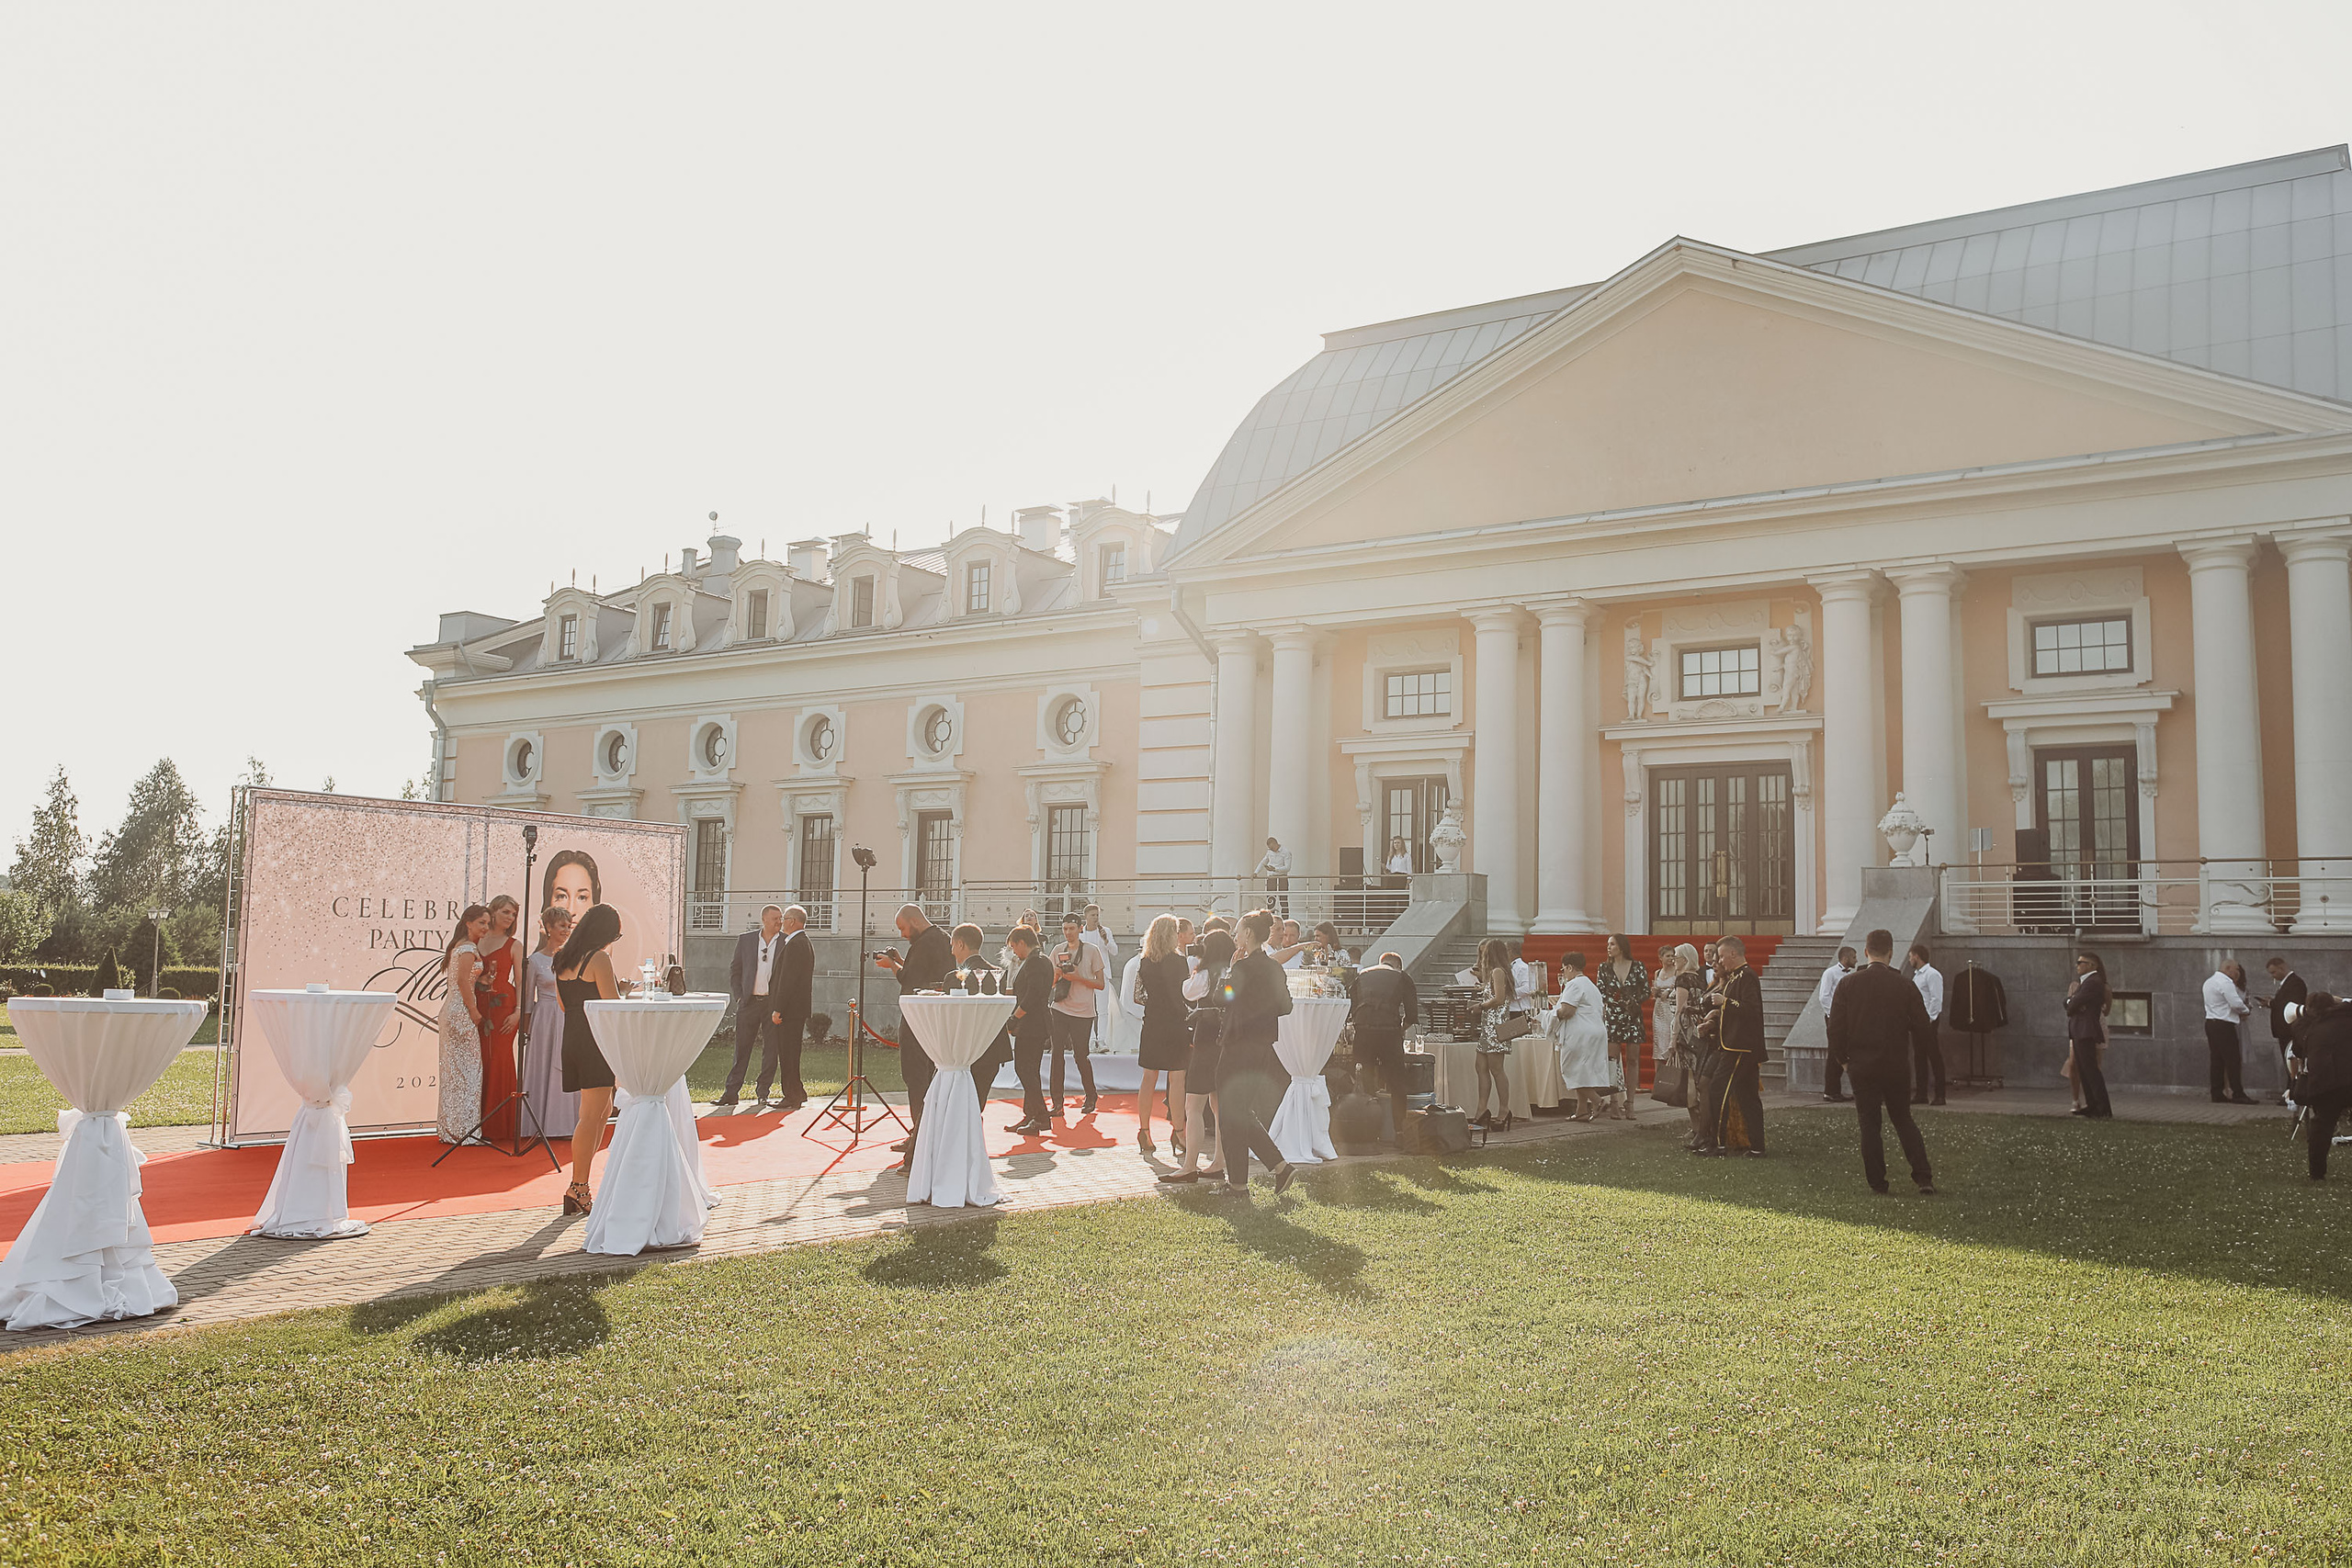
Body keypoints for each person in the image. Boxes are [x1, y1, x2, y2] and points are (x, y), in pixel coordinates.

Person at [1825, 928, 1938, 1195]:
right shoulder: (1904, 985)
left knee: (1869, 1123)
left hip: (1861, 1064)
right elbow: (1923, 1026)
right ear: (1891, 953)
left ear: (1865, 952)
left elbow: (1835, 1029)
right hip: (1895, 1062)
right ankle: (1923, 1177)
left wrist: (1843, 1061)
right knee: (1903, 1119)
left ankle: (1877, 1181)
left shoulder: (1848, 984)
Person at [1210, 910, 1297, 1195]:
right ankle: (1279, 1167)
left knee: (1230, 1115)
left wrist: (1229, 973)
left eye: (1238, 930)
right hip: (1262, 1048)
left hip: (1238, 1046)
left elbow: (1221, 998)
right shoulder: (1274, 968)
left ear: (1248, 934)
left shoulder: (1243, 968)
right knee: (1241, 1112)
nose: (1236, 935)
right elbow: (1285, 1007)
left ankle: (1238, 1186)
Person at [554, 902, 632, 1215]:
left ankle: (582, 1185)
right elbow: (610, 1005)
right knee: (591, 1115)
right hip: (595, 1038)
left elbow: (563, 1005)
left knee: (598, 1112)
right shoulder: (599, 958)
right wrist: (623, 990)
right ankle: (578, 1185)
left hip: (573, 1034)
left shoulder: (561, 958)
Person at [875, 904, 953, 1167]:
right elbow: (923, 973)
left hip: (917, 1018)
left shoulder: (925, 943)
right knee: (925, 1075)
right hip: (934, 1018)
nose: (902, 934)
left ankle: (919, 1135)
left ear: (914, 921)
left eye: (903, 928)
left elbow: (910, 979)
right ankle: (921, 1132)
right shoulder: (942, 938)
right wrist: (900, 960)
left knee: (915, 1075)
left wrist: (892, 966)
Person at [723, 904, 814, 1111]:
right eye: (775, 919)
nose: (779, 922)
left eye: (782, 918)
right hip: (749, 1003)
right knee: (742, 1049)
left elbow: (788, 978)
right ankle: (731, 1092)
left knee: (775, 1052)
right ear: (763, 919)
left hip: (774, 1005)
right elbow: (735, 969)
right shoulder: (746, 940)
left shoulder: (789, 941)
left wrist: (778, 1007)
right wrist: (739, 996)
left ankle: (764, 1093)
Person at [1162, 930, 1237, 1183]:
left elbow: (1187, 992)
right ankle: (1218, 1162)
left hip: (1206, 1040)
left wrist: (1193, 964)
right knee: (1218, 1105)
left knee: (1193, 1106)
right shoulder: (1231, 972)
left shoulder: (1204, 974)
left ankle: (1189, 1165)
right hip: (1225, 1041)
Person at [1134, 914, 1193, 1155]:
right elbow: (1184, 996)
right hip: (1175, 1023)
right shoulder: (1179, 962)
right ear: (1172, 935)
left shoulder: (1145, 961)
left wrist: (1154, 1003)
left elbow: (1138, 996)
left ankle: (1144, 1131)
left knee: (1149, 1078)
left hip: (1153, 1023)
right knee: (1177, 1079)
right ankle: (1179, 1132)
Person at [946, 923, 1016, 1122]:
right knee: (977, 1102)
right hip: (993, 1049)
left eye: (952, 945)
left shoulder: (954, 978)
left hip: (963, 1050)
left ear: (960, 944)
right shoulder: (999, 975)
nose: (952, 951)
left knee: (961, 1104)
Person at [519, 904, 578, 1139]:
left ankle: (565, 1124)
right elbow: (526, 998)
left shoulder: (574, 958)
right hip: (544, 1017)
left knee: (566, 1068)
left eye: (568, 926)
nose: (566, 930)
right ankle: (538, 1123)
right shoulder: (535, 960)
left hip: (568, 1016)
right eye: (562, 926)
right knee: (543, 1066)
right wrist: (526, 1029)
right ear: (548, 929)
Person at [1349, 951, 1419, 1141]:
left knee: (1365, 1081)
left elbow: (1351, 1005)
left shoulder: (1361, 975)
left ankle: (1369, 1133)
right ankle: (1399, 1132)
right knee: (1397, 1083)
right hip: (1389, 1031)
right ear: (1398, 966)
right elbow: (1412, 1013)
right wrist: (1402, 1027)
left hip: (1363, 1031)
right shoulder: (1402, 977)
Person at [436, 904, 492, 1144]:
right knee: (469, 1072)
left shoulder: (460, 947)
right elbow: (461, 981)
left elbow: (465, 978)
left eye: (488, 923)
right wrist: (474, 1011)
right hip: (461, 1012)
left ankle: (452, 1129)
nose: (486, 928)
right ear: (468, 923)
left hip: (453, 1010)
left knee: (454, 1073)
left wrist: (483, 979)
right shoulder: (468, 948)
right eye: (481, 922)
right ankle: (466, 1132)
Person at [1705, 935, 1766, 1156]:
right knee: (1748, 1096)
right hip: (1735, 1044)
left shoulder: (1747, 976)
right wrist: (1718, 1012)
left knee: (1717, 1089)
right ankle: (1757, 1147)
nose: (1720, 961)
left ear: (1733, 953)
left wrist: (1725, 1003)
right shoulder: (1734, 977)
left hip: (1740, 1046)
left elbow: (1751, 1009)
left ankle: (1718, 1143)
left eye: (1722, 956)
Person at [2287, 991, 2352, 1179]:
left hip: (2326, 1082)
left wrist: (2306, 1015)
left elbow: (2298, 1047)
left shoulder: (2310, 1027)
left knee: (2322, 1127)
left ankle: (2317, 1172)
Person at [1047, 913, 1107, 1116]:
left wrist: (1078, 977)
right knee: (1056, 1055)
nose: (1068, 932)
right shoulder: (1057, 950)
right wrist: (1057, 973)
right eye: (1065, 929)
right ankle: (1057, 1103)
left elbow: (1100, 984)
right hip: (1060, 1008)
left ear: (1080, 928)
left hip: (1083, 1011)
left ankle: (1091, 1096)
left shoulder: (1092, 950)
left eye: (1072, 928)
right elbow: (1050, 983)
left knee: (1081, 1055)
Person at [476, 895, 523, 1140]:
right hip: (479, 1007)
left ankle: (500, 1126)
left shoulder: (514, 944)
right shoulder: (477, 939)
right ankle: (477, 1124)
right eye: (506, 912)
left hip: (505, 1008)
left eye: (513, 914)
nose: (510, 917)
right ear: (492, 912)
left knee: (501, 1060)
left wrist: (518, 1013)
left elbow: (522, 983)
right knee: (481, 1060)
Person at [1002, 926, 1055, 1134]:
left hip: (1032, 1024)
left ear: (1022, 942)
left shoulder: (1034, 962)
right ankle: (1031, 1114)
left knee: (1025, 1069)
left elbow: (1032, 995)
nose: (1014, 951)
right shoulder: (1041, 960)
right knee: (1029, 1070)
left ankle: (1040, 1116)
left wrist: (1015, 1017)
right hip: (1036, 1023)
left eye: (1014, 946)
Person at [1553, 949, 1611, 1123]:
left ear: (1570, 968)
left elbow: (1567, 1011)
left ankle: (1598, 1101)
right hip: (1596, 1031)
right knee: (1582, 1071)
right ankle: (1581, 1111)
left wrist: (1552, 1013)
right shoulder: (1591, 985)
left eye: (1563, 969)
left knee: (1570, 1070)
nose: (1563, 974)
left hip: (1580, 1033)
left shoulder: (1574, 984)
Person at [1597, 935, 1648, 1122]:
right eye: (1608, 944)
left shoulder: (1638, 966)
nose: (1608, 947)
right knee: (1613, 1062)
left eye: (1612, 944)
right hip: (1613, 1018)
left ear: (1622, 947)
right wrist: (1617, 1003)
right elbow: (1600, 991)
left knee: (1633, 1060)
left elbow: (1646, 990)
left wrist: (1633, 1002)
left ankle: (1631, 1103)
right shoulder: (1604, 968)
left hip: (1633, 1017)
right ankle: (1615, 1102)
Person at [2065, 952, 2114, 1119]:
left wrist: (2072, 1003)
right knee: (2084, 1070)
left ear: (2092, 966)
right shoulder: (2085, 982)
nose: (2077, 965)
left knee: (2091, 1070)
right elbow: (2068, 1002)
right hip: (2080, 1029)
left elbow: (2073, 1004)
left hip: (2085, 1030)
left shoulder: (2093, 982)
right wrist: (2071, 1002)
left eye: (2081, 962)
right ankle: (2092, 1105)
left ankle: (2102, 1108)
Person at [2201, 960, 2256, 1104]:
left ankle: (2217, 1092)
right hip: (2224, 1024)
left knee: (2217, 1060)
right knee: (2233, 1060)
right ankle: (2238, 1093)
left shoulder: (2209, 981)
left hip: (2211, 1022)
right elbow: (2235, 1003)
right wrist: (2246, 1011)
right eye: (2235, 969)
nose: (2237, 973)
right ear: (2227, 968)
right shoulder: (2225, 982)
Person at [2258, 957, 2309, 1107]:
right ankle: (2291, 1092)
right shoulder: (2287, 983)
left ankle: (2293, 1094)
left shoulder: (2295, 983)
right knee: (2289, 1063)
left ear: (2282, 967)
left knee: (2292, 1063)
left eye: (2273, 972)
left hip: (2290, 1030)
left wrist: (2271, 1003)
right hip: (2284, 1031)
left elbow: (2291, 1004)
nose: (2272, 976)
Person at [1905, 943, 1948, 1106]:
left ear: (1917, 956)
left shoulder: (1932, 974)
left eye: (1910, 956)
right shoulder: (1917, 976)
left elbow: (1936, 999)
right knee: (1919, 1058)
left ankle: (1940, 1095)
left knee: (1934, 1057)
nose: (1909, 959)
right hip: (1917, 1022)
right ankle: (1921, 1094)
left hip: (1927, 1022)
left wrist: (1929, 1019)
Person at [1815, 946, 1857, 1102]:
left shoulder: (1850, 975)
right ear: (1845, 958)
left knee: (1839, 1053)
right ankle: (1831, 1091)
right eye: (1853, 957)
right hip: (1834, 1019)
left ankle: (1834, 1090)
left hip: (1846, 1018)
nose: (1856, 960)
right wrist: (1834, 1016)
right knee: (1835, 1053)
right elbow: (1824, 997)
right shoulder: (1830, 973)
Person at [1080, 906, 1119, 1052]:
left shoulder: (1105, 931)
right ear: (1086, 916)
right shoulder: (1081, 933)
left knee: (1103, 1009)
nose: (1096, 918)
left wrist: (1106, 940)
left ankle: (1102, 1040)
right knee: (1088, 1008)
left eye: (1097, 915)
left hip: (1102, 975)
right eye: (1093, 915)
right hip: (1086, 976)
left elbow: (1114, 952)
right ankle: (1090, 1040)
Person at [1253, 837, 1292, 917]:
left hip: (1282, 877)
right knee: (1270, 899)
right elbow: (1263, 862)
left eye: (1272, 848)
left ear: (1275, 844)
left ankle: (1285, 919)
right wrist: (1256, 873)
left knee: (1283, 899)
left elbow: (1287, 868)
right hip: (1271, 878)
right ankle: (1271, 919)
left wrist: (1275, 869)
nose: (1271, 849)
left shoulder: (1286, 852)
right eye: (1269, 848)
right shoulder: (1269, 852)